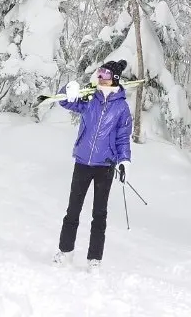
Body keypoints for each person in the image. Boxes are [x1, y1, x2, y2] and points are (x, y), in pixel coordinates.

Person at [53, 59, 132, 268]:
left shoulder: (122, 107)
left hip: (105, 166)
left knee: (99, 214)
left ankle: (94, 259)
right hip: (82, 162)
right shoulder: (89, 99)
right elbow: (65, 101)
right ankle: (65, 252)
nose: (99, 77)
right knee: (73, 211)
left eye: (104, 74)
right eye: (99, 73)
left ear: (114, 78)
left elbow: (123, 137)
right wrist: (67, 89)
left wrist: (124, 160)